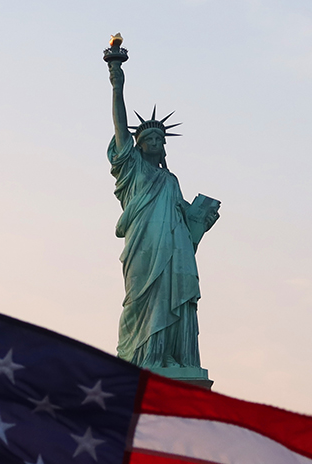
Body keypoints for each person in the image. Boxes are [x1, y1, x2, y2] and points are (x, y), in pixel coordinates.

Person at [108, 60, 219, 372]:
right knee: (140, 299)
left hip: (173, 251)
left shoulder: (170, 181)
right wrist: (117, 85)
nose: (155, 143)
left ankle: (166, 356)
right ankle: (140, 357)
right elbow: (120, 127)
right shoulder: (132, 169)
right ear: (139, 146)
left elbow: (185, 223)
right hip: (143, 246)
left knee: (172, 296)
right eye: (149, 140)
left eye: (160, 139)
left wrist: (202, 221)